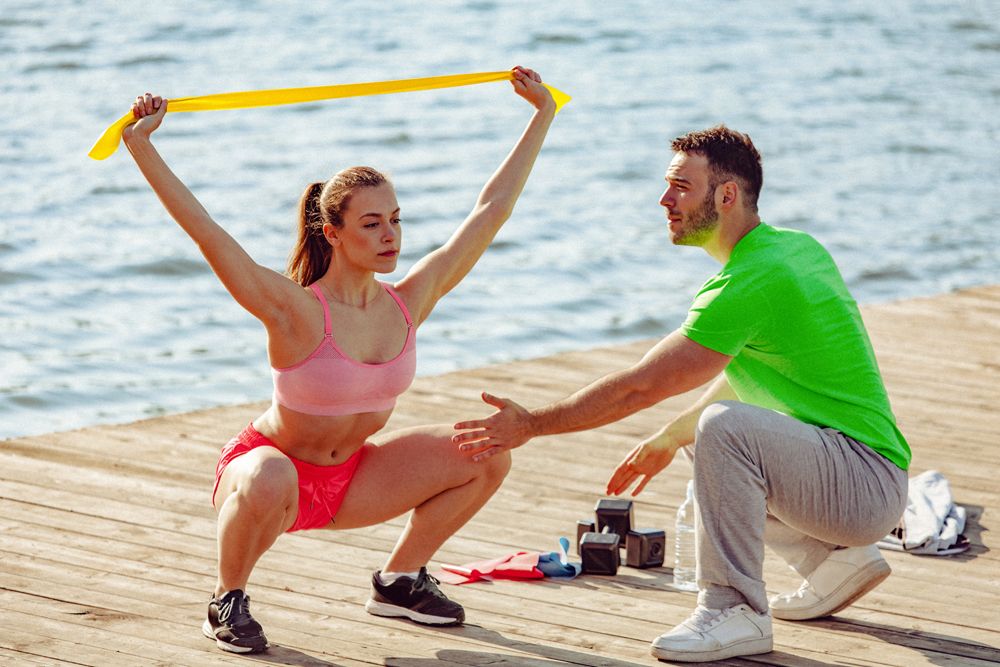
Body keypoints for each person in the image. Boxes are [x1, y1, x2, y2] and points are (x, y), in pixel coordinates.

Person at [122, 66, 556, 655]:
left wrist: (541, 115)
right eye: (371, 224)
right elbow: (209, 235)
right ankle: (228, 598)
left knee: (486, 450)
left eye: (396, 220)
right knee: (272, 471)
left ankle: (400, 581)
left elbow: (490, 212)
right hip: (268, 480)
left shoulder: (409, 301)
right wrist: (141, 145)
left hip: (351, 479)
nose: (390, 236)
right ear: (332, 232)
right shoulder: (295, 311)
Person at [452, 126, 909, 663]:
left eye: (680, 187)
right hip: (867, 475)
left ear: (727, 196)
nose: (663, 199)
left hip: (860, 484)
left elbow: (639, 386)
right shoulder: (793, 249)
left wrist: (532, 424)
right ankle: (833, 561)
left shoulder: (749, 282)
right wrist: (668, 436)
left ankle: (734, 609)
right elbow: (748, 369)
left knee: (721, 427)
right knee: (701, 435)